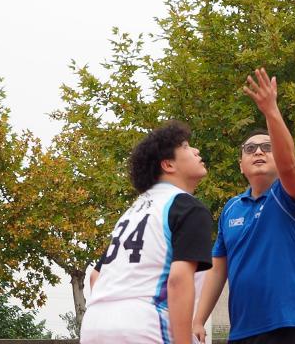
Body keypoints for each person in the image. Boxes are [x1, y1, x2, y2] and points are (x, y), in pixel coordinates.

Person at [194, 68, 295, 344]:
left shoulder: (289, 196)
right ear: (240, 165)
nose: (258, 151)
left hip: (289, 326)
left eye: (267, 147)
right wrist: (199, 319)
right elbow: (218, 269)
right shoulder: (231, 208)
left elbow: (289, 165)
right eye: (250, 149)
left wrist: (271, 110)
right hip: (241, 331)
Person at [80, 120, 213, 344]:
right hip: (144, 323)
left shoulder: (132, 212)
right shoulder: (187, 207)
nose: (196, 151)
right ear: (168, 165)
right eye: (185, 146)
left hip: (95, 324)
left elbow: (96, 276)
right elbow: (178, 280)